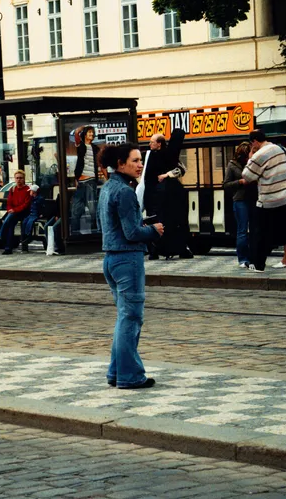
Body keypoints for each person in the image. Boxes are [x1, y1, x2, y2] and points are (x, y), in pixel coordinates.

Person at [98, 142, 164, 389]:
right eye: (135, 160)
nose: (140, 165)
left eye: (140, 160)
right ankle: (130, 376)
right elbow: (132, 232)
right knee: (131, 318)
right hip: (128, 259)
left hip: (111, 259)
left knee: (124, 318)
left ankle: (116, 372)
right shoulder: (125, 192)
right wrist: (153, 231)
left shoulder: (107, 188)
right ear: (120, 164)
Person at [242, 130, 286, 273]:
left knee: (261, 233)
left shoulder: (259, 155)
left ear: (254, 141)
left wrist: (250, 156)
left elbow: (247, 176)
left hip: (268, 200)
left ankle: (258, 265)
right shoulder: (281, 149)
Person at [143, 130, 191, 259]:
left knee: (161, 221)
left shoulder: (155, 156)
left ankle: (157, 250)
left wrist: (166, 175)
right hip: (168, 194)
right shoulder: (167, 155)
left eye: (152, 142)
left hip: (160, 195)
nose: (149, 144)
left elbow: (181, 169)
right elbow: (181, 169)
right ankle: (176, 248)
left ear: (159, 144)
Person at [223, 142, 257, 268]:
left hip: (254, 198)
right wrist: (240, 182)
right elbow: (226, 185)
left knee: (254, 229)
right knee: (242, 230)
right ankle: (243, 259)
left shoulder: (254, 163)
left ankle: (254, 257)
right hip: (240, 199)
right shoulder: (232, 165)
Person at [70, 126, 100, 233]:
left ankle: (94, 233)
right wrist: (83, 127)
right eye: (89, 132)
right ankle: (75, 233)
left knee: (93, 211)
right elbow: (76, 133)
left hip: (91, 181)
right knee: (76, 210)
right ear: (85, 134)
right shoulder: (81, 146)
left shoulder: (96, 148)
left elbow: (100, 164)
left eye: (93, 132)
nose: (91, 134)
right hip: (81, 182)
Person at [0, 169, 32, 255]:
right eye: (17, 178)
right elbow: (9, 202)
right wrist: (10, 210)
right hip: (13, 212)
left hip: (23, 212)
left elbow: (26, 204)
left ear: (24, 179)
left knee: (9, 219)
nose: (19, 180)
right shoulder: (12, 189)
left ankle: (1, 235)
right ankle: (8, 248)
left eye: (20, 178)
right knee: (10, 224)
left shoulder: (27, 189)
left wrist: (14, 210)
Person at [19, 185, 44, 251]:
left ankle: (27, 235)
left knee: (29, 222)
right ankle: (25, 235)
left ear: (33, 192)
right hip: (31, 214)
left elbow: (41, 207)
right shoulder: (32, 198)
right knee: (24, 222)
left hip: (35, 214)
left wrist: (41, 213)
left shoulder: (39, 199)